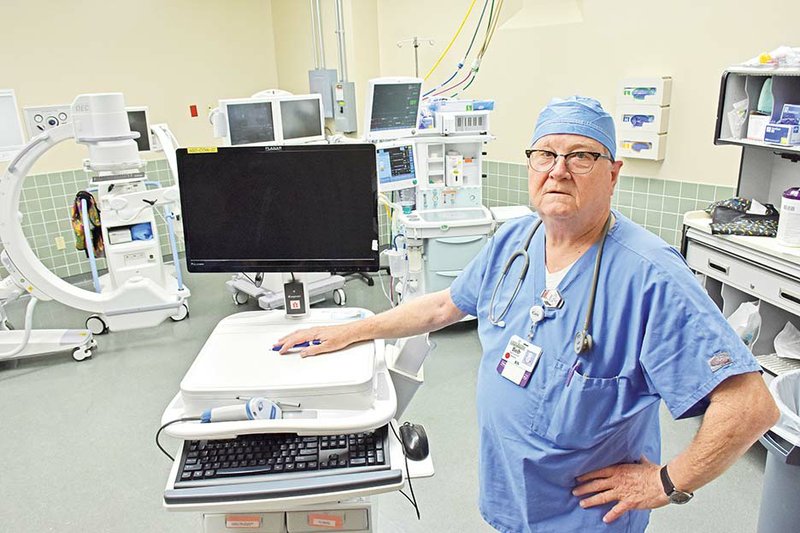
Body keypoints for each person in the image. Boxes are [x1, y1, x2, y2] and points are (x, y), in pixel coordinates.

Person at [275, 96, 779, 533]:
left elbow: (750, 405)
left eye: (581, 156)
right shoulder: (518, 240)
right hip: (512, 492)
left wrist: (668, 482)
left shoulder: (650, 275)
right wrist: (353, 331)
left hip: (587, 517)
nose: (558, 169)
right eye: (545, 154)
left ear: (613, 172)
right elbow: (447, 304)